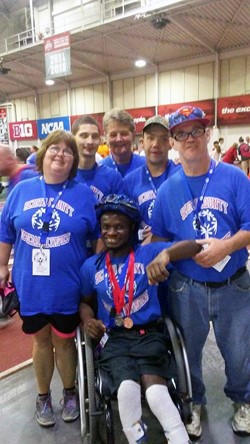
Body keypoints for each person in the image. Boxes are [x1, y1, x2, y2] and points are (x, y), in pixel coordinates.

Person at [147, 105, 250, 439]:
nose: (189, 138)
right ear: (174, 142)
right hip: (186, 286)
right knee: (187, 352)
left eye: (195, 131)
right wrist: (156, 257)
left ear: (207, 135)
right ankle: (193, 402)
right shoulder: (168, 190)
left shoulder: (234, 177)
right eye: (181, 134)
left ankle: (243, 401)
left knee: (238, 351)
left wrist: (227, 246)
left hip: (232, 282)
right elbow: (160, 236)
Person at [79, 194, 202, 444]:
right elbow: (84, 302)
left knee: (156, 393)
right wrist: (87, 320)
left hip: (149, 334)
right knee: (125, 391)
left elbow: (194, 245)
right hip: (113, 338)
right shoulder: (91, 266)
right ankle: (137, 438)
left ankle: (179, 438)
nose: (111, 232)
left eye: (119, 226)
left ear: (132, 228)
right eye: (106, 227)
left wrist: (166, 256)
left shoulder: (148, 253)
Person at [0, 130, 98, 428]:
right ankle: (43, 396)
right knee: (41, 341)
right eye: (55, 149)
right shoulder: (22, 190)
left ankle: (69, 393)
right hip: (31, 283)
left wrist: (94, 273)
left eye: (68, 151)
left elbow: (96, 238)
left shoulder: (82, 194)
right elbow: (5, 232)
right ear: (42, 154)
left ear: (73, 161)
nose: (61, 154)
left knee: (65, 342)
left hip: (67, 284)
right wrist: (1, 266)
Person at [123, 116, 181, 241]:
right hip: (144, 253)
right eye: (150, 138)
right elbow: (126, 223)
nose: (156, 144)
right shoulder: (130, 181)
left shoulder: (181, 174)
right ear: (142, 143)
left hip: (176, 252)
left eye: (163, 139)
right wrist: (138, 233)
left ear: (171, 144)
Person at [71, 115, 123, 201]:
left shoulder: (113, 178)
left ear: (100, 140)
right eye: (84, 136)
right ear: (73, 138)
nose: (90, 141)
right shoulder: (63, 175)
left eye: (94, 136)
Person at [102, 108, 145, 177]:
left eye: (124, 134)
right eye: (113, 135)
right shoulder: (98, 171)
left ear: (133, 135)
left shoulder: (147, 167)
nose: (119, 139)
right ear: (106, 137)